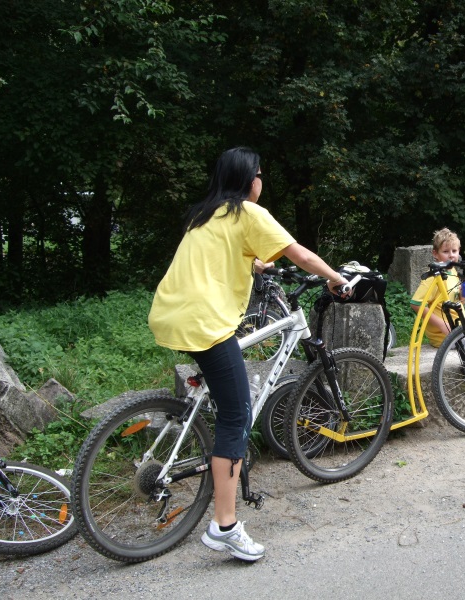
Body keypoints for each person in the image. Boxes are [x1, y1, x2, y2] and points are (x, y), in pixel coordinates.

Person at [148, 147, 350, 560]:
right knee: (236, 416)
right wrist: (335, 278)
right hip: (205, 323)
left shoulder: (203, 214)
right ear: (249, 180)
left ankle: (210, 458)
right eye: (259, 174)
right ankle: (225, 526)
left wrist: (257, 265)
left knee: (224, 396)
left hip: (172, 316)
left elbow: (220, 255)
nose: (261, 181)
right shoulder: (247, 213)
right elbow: (302, 254)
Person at [410, 228, 465, 347]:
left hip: (459, 330)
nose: (451, 255)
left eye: (454, 251)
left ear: (459, 251)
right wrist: (441, 325)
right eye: (445, 251)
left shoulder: (453, 272)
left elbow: (458, 303)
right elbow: (416, 303)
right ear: (435, 254)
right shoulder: (434, 276)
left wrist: (462, 294)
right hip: (445, 337)